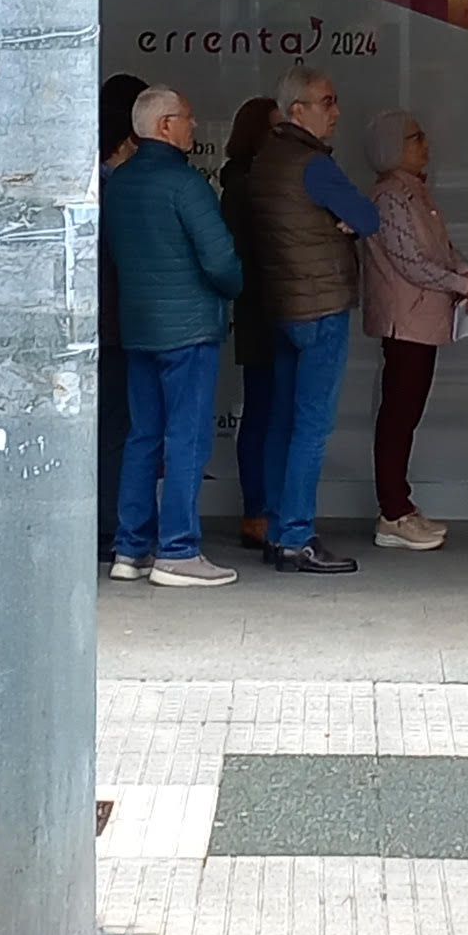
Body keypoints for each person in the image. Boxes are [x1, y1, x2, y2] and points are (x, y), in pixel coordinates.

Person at [240, 68, 384, 576]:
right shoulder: (313, 165)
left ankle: (277, 528)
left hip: (281, 306)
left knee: (282, 421)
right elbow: (368, 218)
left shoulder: (265, 160)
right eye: (327, 101)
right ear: (297, 110)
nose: (336, 111)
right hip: (319, 306)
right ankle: (297, 536)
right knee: (312, 426)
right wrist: (340, 222)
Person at [103, 86, 243, 588]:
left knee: (143, 437)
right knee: (186, 438)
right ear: (165, 125)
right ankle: (179, 550)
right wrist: (235, 287)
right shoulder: (187, 184)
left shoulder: (118, 183)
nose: (194, 125)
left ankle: (130, 549)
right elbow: (222, 261)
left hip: (138, 327)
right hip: (188, 329)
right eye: (187, 117)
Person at [356, 108, 468, 553]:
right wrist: (459, 284)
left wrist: (465, 271)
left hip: (423, 320)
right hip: (405, 321)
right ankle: (393, 511)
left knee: (406, 414)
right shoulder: (389, 197)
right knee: (398, 416)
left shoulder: (415, 190)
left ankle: (402, 506)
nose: (425, 144)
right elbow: (409, 261)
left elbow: (442, 248)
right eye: (415, 137)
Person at [213, 93, 283, 550]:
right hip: (262, 309)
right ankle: (257, 510)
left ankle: (263, 509)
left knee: (266, 409)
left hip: (266, 307)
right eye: (274, 129)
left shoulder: (247, 180)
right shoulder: (245, 185)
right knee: (262, 411)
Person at [92, 72, 147, 549]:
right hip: (112, 326)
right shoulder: (115, 191)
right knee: (115, 429)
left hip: (94, 325)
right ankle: (110, 527)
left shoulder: (89, 184)